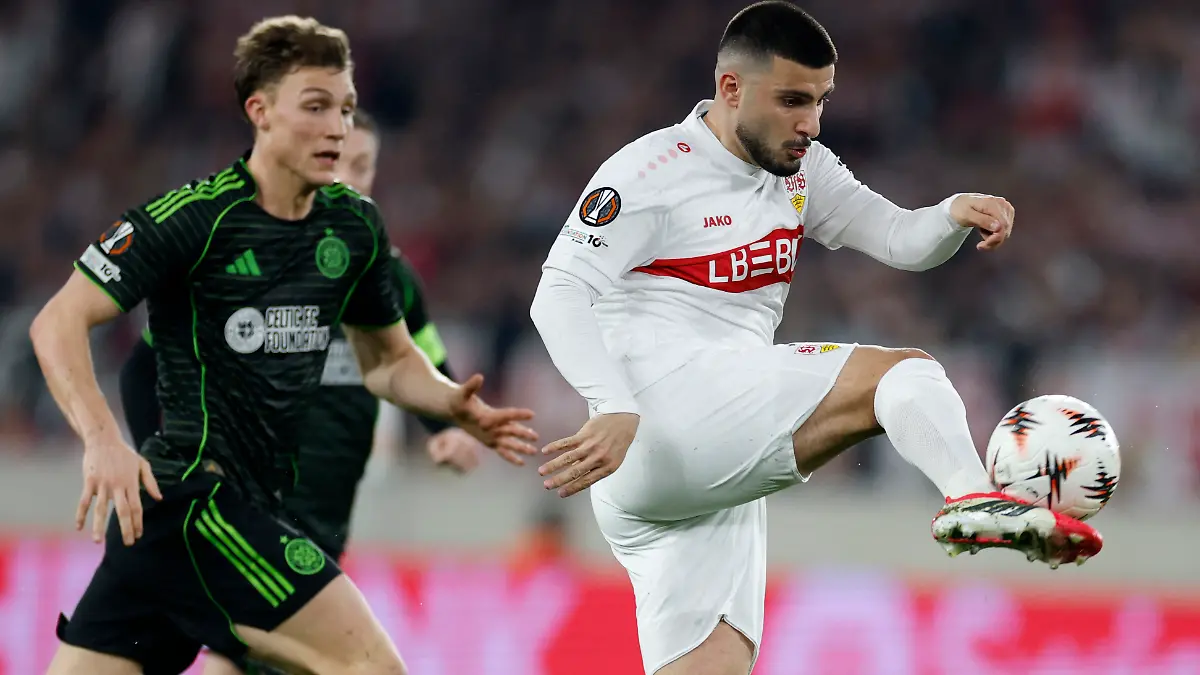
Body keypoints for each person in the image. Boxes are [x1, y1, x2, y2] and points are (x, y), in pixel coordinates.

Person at [528, 3, 1102, 674]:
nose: (811, 122)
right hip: (657, 420)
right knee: (903, 372)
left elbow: (896, 237)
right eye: (793, 100)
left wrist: (950, 215)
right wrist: (614, 401)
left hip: (699, 463)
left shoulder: (802, 169)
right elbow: (557, 292)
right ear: (731, 90)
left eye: (822, 101)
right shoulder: (650, 172)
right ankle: (972, 496)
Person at [31, 15, 537, 675]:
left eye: (347, 108)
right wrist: (101, 438)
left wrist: (450, 403)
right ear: (260, 111)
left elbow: (387, 362)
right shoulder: (194, 219)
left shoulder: (353, 229)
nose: (338, 127)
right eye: (317, 106)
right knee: (372, 668)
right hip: (199, 502)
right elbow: (57, 321)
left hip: (187, 524)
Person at [116, 108, 482, 675]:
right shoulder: (251, 262)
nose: (353, 180)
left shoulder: (388, 276)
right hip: (249, 507)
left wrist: (445, 430)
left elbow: (428, 360)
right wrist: (155, 468)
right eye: (341, 163)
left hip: (329, 514)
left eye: (365, 167)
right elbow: (141, 368)